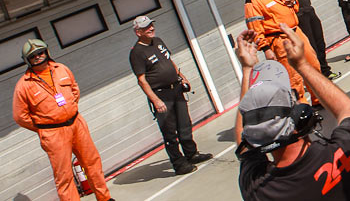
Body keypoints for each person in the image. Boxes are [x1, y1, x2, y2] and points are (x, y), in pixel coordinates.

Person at [234, 26, 350, 200]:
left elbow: (244, 147)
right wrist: (302, 64)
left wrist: (248, 69)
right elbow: (348, 110)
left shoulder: (259, 190)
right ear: (301, 117)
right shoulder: (349, 148)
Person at [12, 39, 115, 201]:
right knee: (64, 175)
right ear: (27, 60)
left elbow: (74, 89)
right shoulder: (24, 85)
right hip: (53, 134)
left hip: (77, 124)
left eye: (40, 52)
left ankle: (104, 198)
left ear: (47, 52)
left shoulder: (62, 69)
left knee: (92, 163)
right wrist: (43, 128)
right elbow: (20, 117)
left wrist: (70, 110)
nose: (38, 57)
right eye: (33, 56)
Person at [128, 16, 212, 175]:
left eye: (151, 25)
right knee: (170, 131)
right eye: (146, 27)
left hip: (176, 89)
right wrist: (156, 100)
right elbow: (142, 80)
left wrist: (182, 77)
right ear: (138, 32)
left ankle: (191, 154)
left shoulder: (158, 41)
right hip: (161, 94)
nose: (151, 28)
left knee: (185, 124)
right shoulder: (137, 53)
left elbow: (169, 61)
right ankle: (179, 164)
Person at [244, 0, 322, 102]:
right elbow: (255, 27)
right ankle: (301, 106)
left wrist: (293, 2)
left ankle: (319, 99)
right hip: (279, 39)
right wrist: (266, 49)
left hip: (296, 32)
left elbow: (294, 6)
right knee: (293, 77)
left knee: (313, 64)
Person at [272, 0, 337, 80]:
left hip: (309, 10)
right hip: (298, 14)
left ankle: (325, 70)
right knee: (310, 44)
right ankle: (317, 73)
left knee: (319, 41)